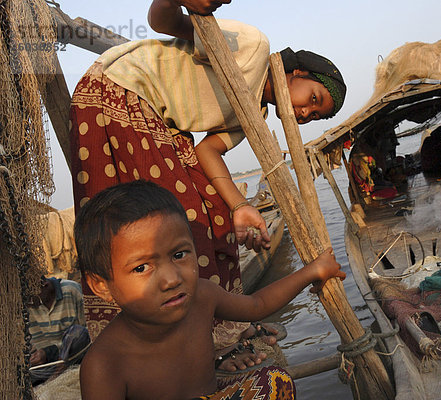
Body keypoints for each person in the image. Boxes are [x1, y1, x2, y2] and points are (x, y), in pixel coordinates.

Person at [69, 0, 346, 362]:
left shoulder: (254, 117)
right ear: (297, 72)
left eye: (313, 115)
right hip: (119, 91)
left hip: (160, 121)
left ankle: (216, 329)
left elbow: (207, 155)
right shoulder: (253, 47)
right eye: (313, 98)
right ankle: (189, 338)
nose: (305, 112)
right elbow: (162, 20)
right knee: (174, 221)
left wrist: (241, 207)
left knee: (213, 214)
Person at [74, 180, 345, 399]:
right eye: (141, 268)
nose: (171, 279)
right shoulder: (104, 364)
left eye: (179, 255)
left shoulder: (202, 296)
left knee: (274, 382)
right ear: (101, 285)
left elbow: (257, 305)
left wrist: (311, 271)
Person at [27, 277, 90, 384]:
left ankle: (56, 377)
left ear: (45, 285)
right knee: (27, 373)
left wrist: (49, 353)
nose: (28, 303)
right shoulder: (28, 305)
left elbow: (87, 332)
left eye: (31, 298)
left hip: (74, 355)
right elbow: (35, 344)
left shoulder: (71, 289)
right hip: (49, 363)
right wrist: (36, 357)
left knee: (78, 333)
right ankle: (54, 378)